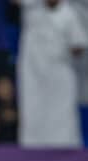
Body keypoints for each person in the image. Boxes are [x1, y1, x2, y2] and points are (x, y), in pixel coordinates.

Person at [18, 0, 88, 148]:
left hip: (60, 73)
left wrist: (61, 52)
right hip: (34, 73)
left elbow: (79, 44)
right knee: (33, 109)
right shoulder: (32, 11)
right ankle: (32, 148)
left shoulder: (69, 13)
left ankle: (65, 149)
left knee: (62, 113)